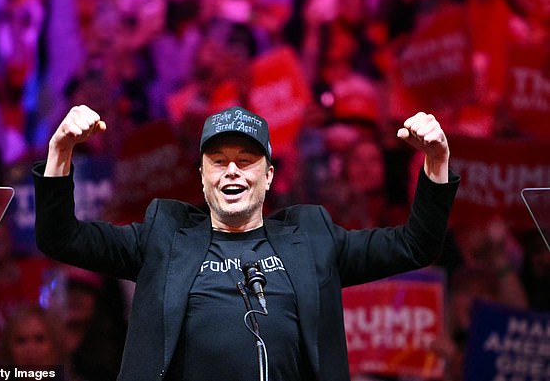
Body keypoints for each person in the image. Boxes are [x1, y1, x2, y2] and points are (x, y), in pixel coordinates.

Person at [32, 105, 459, 381]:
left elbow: (416, 245)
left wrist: (436, 162)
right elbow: (61, 238)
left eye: (246, 160)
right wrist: (60, 152)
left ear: (269, 175)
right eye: (218, 161)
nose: (231, 171)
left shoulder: (312, 237)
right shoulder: (164, 235)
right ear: (201, 177)